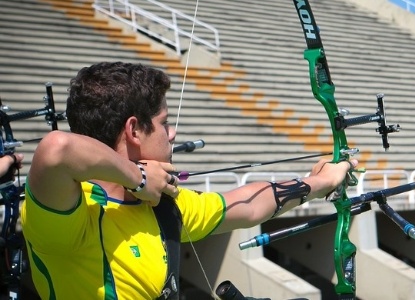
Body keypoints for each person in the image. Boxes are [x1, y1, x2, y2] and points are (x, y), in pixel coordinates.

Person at [21, 62, 357, 299]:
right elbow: (56, 149)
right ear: (134, 130)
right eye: (164, 123)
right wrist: (138, 176)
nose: (173, 133)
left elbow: (246, 204)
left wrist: (321, 182)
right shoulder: (69, 216)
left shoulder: (160, 205)